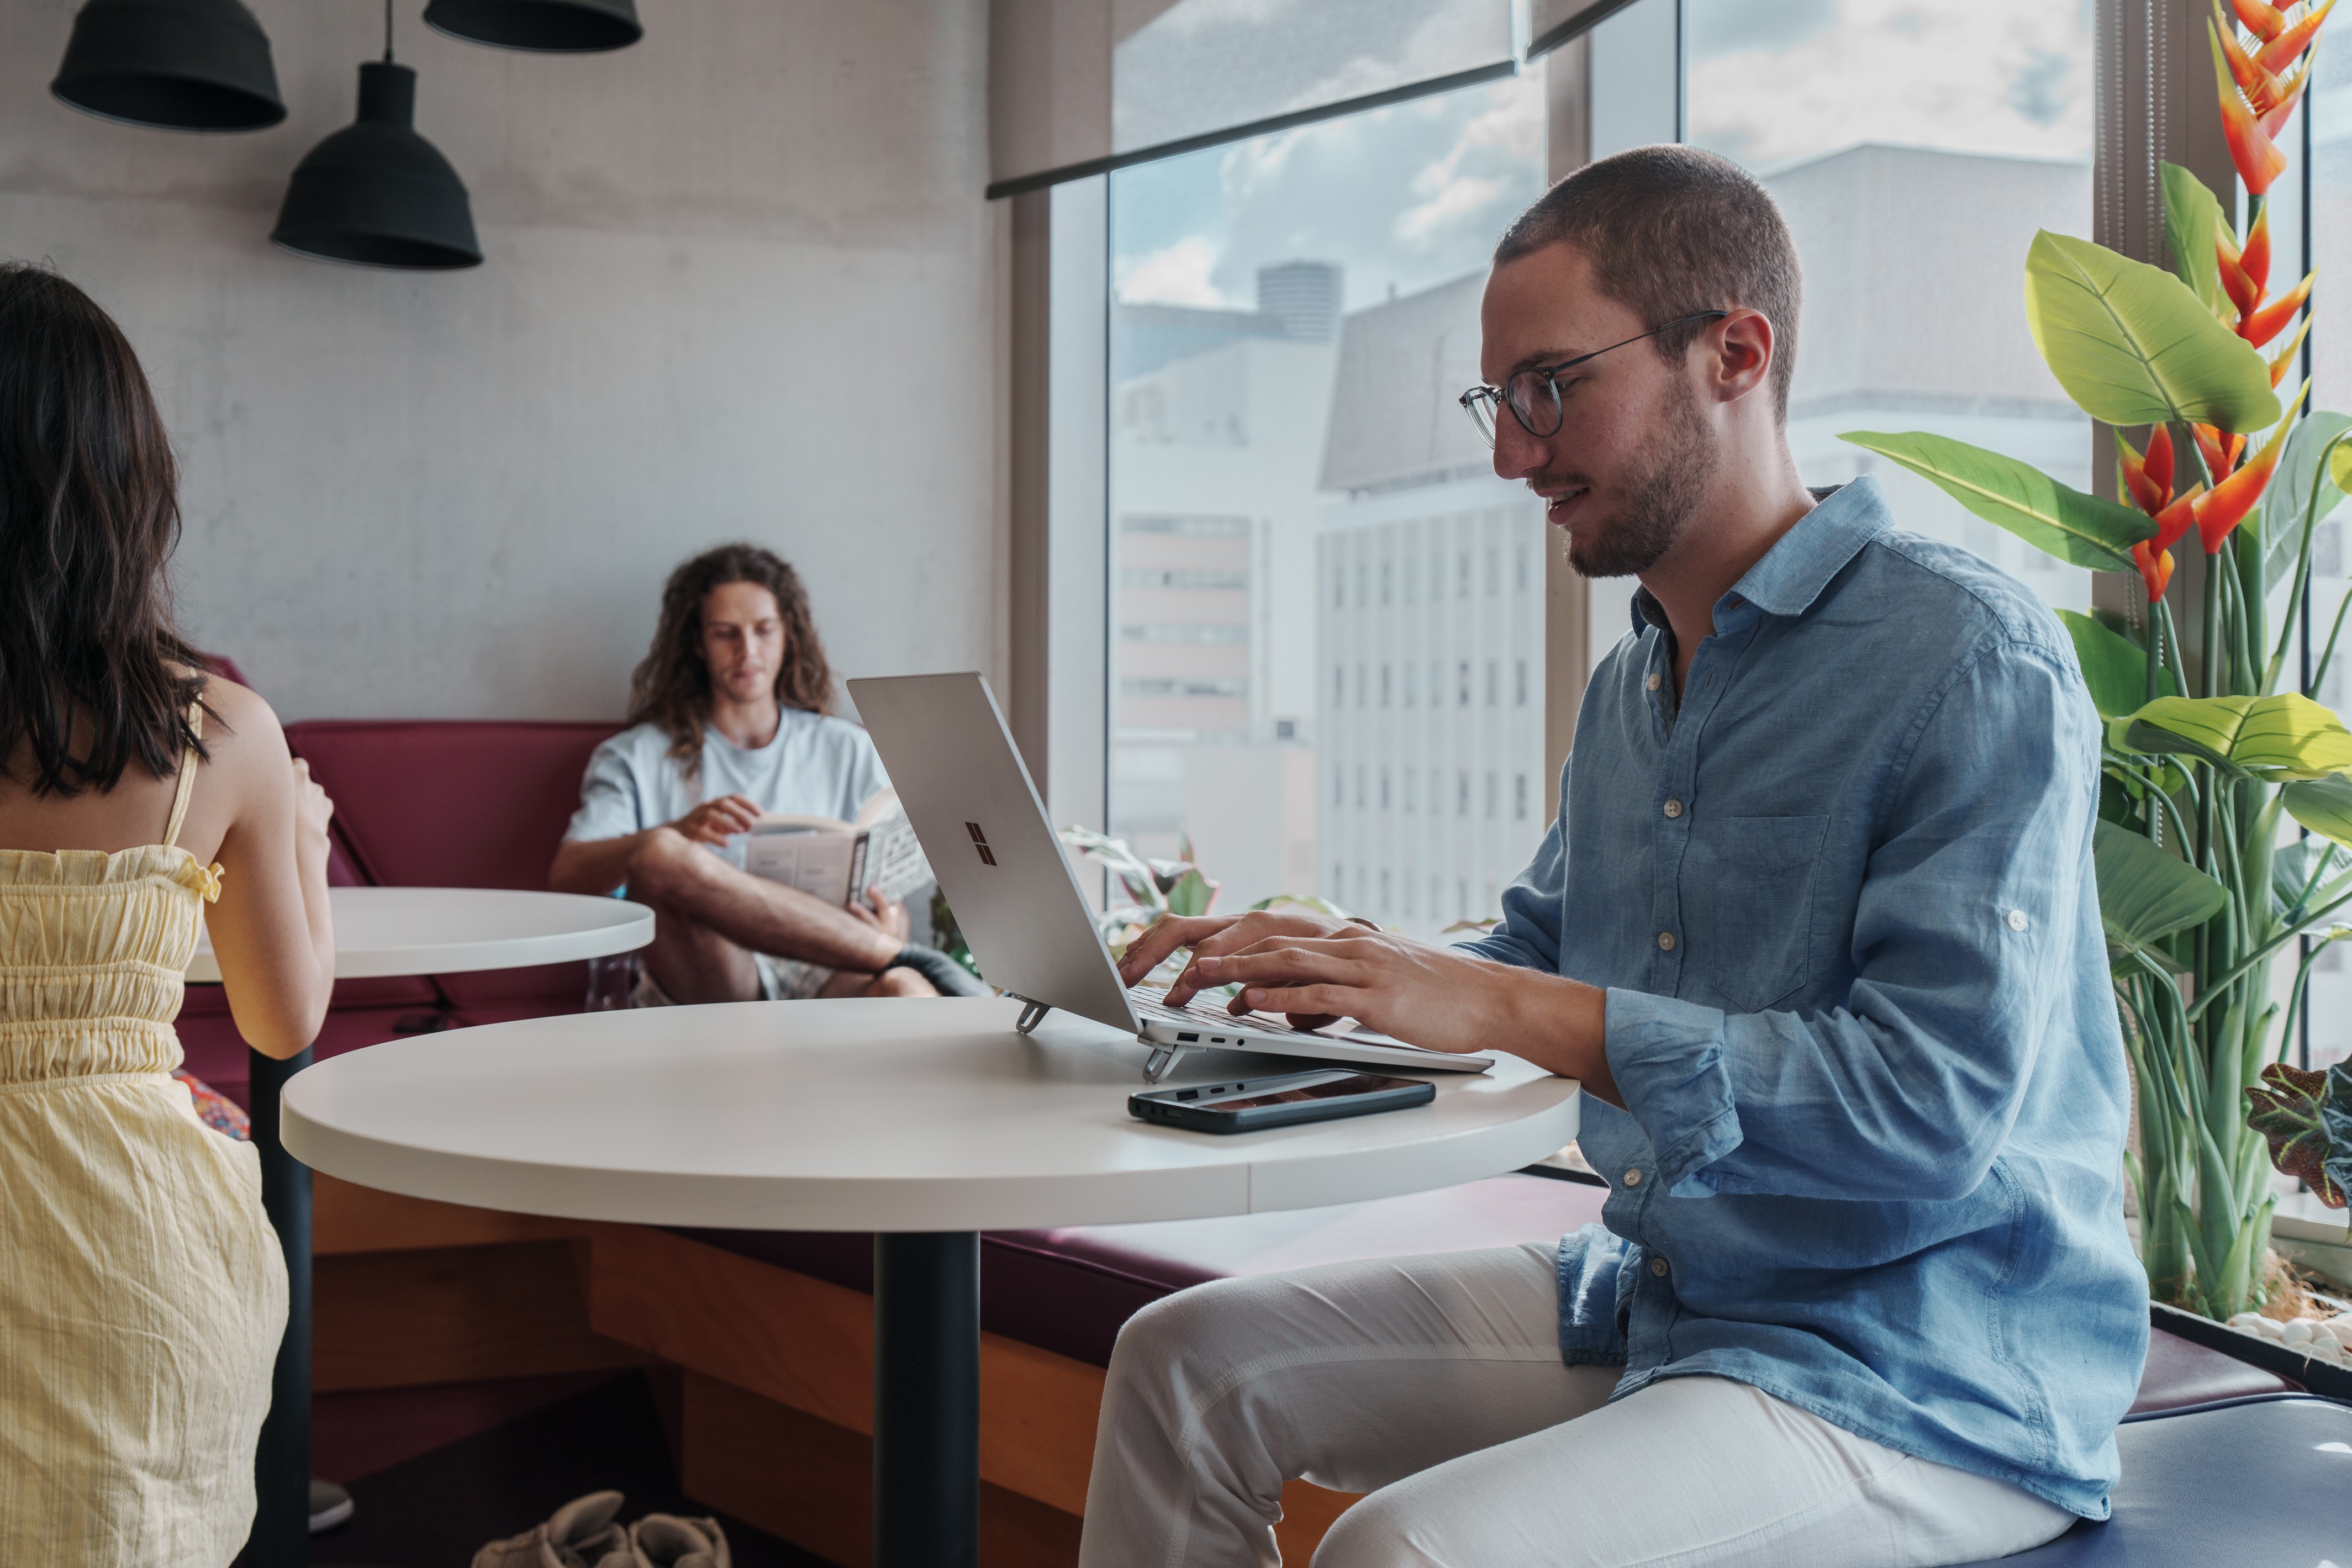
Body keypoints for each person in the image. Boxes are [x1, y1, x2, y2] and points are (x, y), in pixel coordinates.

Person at [1081, 145, 2144, 1567]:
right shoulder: (1635, 684)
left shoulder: (1965, 658)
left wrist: (1495, 1001)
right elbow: (1532, 956)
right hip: (1675, 1285)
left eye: (1550, 387)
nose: (1513, 452)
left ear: (1734, 352)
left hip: (1929, 1367)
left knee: (1401, 1551)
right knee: (1181, 1366)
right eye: (1498, 401)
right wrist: (1318, 966)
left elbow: (1928, 1109)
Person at [0, 263, 337, 1564]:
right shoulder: (221, 732)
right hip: (127, 1254)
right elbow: (282, 1014)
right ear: (130, 486)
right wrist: (301, 837)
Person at [551, 542, 973, 1002]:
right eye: (725, 633)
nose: (746, 650)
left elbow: (888, 887)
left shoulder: (846, 746)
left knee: (906, 989)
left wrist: (892, 923)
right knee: (659, 854)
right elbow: (567, 875)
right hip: (715, 974)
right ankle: (895, 955)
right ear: (697, 642)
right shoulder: (636, 755)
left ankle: (894, 956)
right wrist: (678, 832)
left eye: (764, 630)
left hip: (833, 969)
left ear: (788, 633)